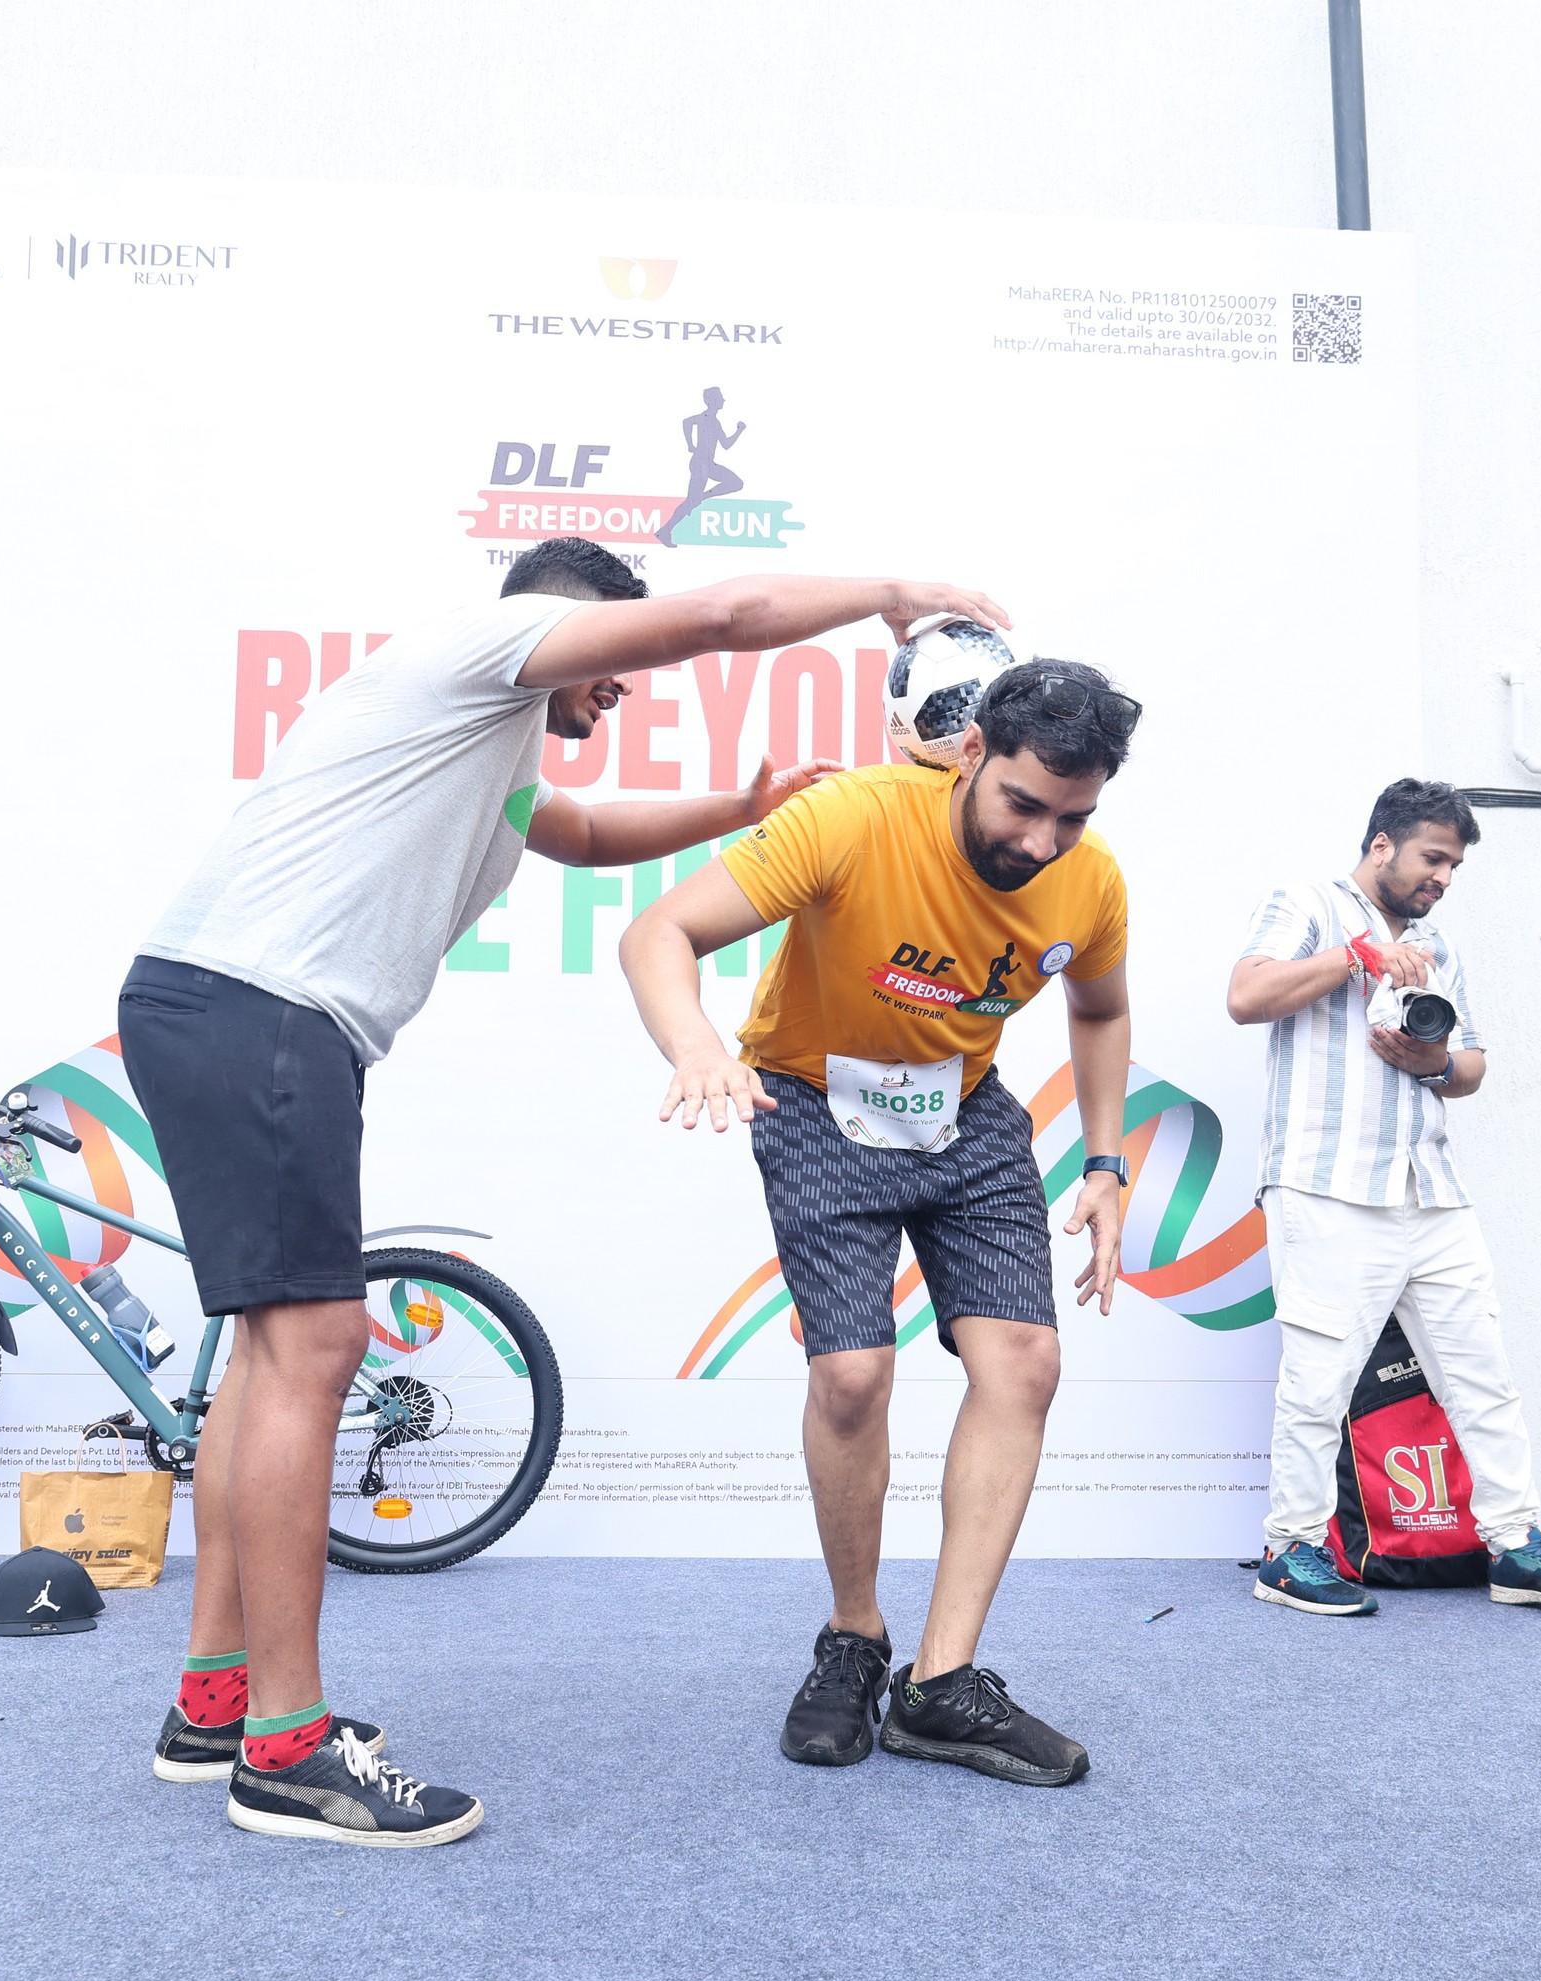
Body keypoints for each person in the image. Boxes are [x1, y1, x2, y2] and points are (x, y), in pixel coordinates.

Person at [121, 536, 1007, 1846]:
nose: (621, 685)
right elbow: (726, 615)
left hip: (228, 1008)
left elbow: (581, 836)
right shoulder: (487, 648)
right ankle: (288, 1750)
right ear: (561, 623)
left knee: (271, 1358)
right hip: (263, 1012)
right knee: (311, 1350)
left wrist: (742, 803)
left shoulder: (479, 740)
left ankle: (217, 1705)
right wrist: (892, 594)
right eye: (611, 658)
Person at [619, 659, 1140, 1786]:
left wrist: (1105, 1161)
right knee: (852, 1376)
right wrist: (698, 1048)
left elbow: (1100, 1008)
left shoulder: (1088, 879)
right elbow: (659, 933)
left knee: (1026, 1362)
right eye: (1023, 804)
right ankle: (855, 1637)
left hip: (963, 1108)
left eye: (1072, 817)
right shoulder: (853, 817)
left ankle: (941, 1683)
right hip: (813, 1095)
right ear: (970, 753)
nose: (1042, 841)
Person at [1226, 779, 1541, 1616]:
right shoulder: (1308, 904)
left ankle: (1514, 1544)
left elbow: (1470, 1066)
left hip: (1430, 1189)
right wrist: (1356, 958)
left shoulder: (1438, 943)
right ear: (1382, 845)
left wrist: (1432, 1063)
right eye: (1434, 858)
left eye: (1454, 866)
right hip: (1326, 1184)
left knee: (1482, 1374)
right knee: (1319, 1381)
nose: (1443, 878)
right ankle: (1290, 1549)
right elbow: (1247, 996)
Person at [656, 387, 747, 545]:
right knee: (691, 502)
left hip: (709, 464)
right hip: (700, 463)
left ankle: (703, 496)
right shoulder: (704, 417)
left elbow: (725, 444)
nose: (723, 400)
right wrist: (690, 444)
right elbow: (686, 422)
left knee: (736, 483)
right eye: (720, 397)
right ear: (713, 400)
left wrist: (739, 431)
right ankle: (665, 531)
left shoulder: (715, 422)